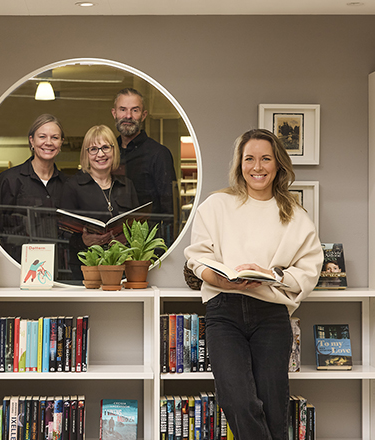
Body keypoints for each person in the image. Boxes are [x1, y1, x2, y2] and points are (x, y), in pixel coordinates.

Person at [184, 128, 323, 439]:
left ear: (278, 165)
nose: (257, 167)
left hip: (271, 314)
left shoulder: (295, 215)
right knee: (238, 399)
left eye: (265, 159)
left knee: (274, 407)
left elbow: (309, 271)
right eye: (249, 159)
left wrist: (273, 275)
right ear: (239, 164)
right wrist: (221, 279)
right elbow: (197, 259)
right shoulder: (216, 205)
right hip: (223, 310)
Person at [0, 114, 67, 262]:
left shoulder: (67, 184)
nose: (48, 142)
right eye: (42, 136)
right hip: (17, 265)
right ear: (32, 140)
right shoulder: (9, 180)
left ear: (61, 143)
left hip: (59, 267)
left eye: (55, 137)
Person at [60, 125, 139, 278]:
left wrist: (127, 237)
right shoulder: (73, 186)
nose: (100, 154)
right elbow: (63, 234)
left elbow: (138, 225)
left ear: (114, 150)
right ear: (86, 154)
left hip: (123, 266)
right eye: (93, 149)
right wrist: (83, 241)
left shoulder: (127, 185)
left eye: (105, 147)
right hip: (88, 270)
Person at [111, 88, 176, 234]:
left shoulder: (159, 154)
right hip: (111, 240)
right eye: (123, 109)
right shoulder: (109, 153)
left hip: (147, 243)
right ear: (114, 113)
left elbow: (168, 210)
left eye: (135, 110)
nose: (128, 116)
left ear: (144, 115)